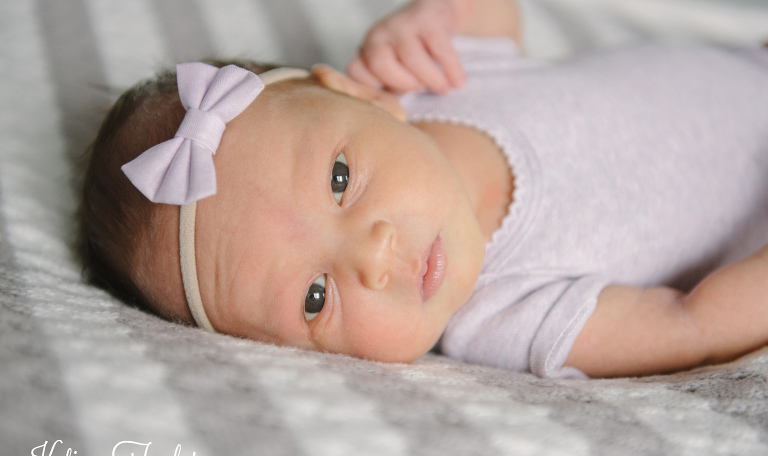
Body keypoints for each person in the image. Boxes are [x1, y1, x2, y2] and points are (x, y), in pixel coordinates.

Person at [79, 0, 768, 379]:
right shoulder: (506, 318)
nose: (374, 257)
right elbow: (693, 322)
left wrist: (434, 19)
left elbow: (496, 11)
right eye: (316, 297)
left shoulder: (433, 79)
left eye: (340, 178)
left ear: (356, 95)